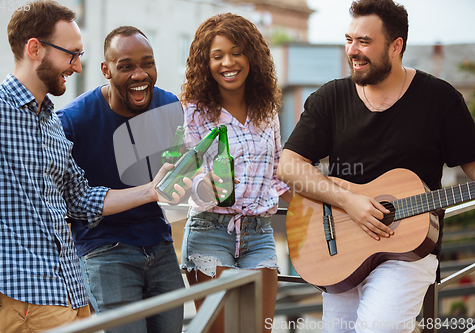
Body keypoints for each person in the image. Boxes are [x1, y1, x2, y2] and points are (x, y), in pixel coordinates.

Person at [0, 2, 188, 332]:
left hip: (71, 292)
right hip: (27, 294)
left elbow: (81, 201)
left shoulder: (52, 124)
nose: (77, 66)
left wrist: (151, 190)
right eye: (71, 54)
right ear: (35, 49)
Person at [277, 0, 475, 332]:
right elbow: (289, 166)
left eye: (364, 42)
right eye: (349, 39)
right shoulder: (331, 98)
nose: (352, 50)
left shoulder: (440, 100)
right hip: (339, 250)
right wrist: (349, 202)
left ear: (396, 46)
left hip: (409, 251)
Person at [57, 26, 186, 333]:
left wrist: (188, 183)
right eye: (126, 66)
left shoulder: (169, 107)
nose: (140, 74)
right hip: (103, 251)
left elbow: (174, 174)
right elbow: (65, 202)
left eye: (148, 63)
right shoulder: (73, 121)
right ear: (106, 69)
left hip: (160, 244)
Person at [179, 13, 292, 333]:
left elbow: (278, 171)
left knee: (261, 329)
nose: (228, 62)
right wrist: (206, 185)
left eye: (237, 52)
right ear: (206, 62)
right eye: (217, 56)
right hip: (210, 232)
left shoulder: (267, 109)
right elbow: (179, 177)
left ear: (252, 56)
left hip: (260, 234)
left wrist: (328, 203)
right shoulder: (192, 111)